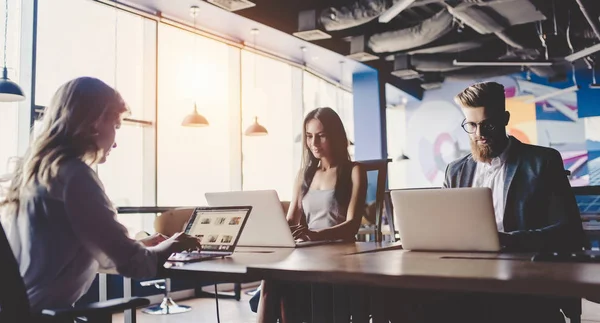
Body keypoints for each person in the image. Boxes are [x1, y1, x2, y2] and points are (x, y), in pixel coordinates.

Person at [0, 77, 201, 314]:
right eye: (115, 125)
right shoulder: (75, 176)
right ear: (94, 122)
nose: (115, 143)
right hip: (47, 315)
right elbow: (136, 266)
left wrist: (137, 245)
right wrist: (171, 245)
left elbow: (73, 251)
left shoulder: (33, 175)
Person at [441, 81, 587, 322]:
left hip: (524, 278)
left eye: (488, 124)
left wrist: (507, 241)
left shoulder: (543, 161)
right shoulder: (455, 171)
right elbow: (445, 227)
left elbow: (569, 230)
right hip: (466, 275)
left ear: (505, 119)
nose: (480, 134)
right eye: (472, 125)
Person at [256, 107, 367, 323]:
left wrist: (316, 234)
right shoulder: (304, 175)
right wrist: (267, 232)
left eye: (321, 135)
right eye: (309, 136)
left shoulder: (354, 171)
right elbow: (290, 220)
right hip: (309, 253)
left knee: (281, 285)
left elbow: (352, 225)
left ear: (336, 136)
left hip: (341, 256)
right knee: (271, 280)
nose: (314, 143)